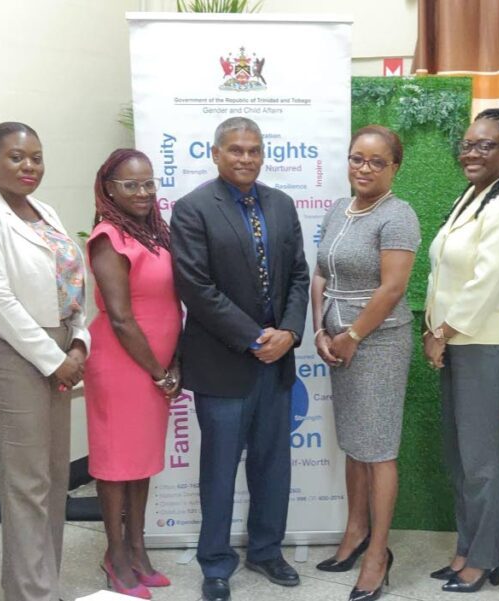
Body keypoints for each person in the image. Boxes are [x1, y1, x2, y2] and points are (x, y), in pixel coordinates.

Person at [170, 117, 310, 601]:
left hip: (277, 364)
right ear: (215, 153)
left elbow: (297, 274)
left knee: (274, 465)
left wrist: (289, 333)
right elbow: (196, 288)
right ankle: (215, 562)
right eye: (235, 149)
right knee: (219, 468)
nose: (246, 158)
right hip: (223, 363)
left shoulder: (282, 204)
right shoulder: (191, 210)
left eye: (253, 149)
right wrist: (255, 338)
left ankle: (267, 551)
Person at [0, 122, 90, 601]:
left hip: (59, 347)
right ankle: (32, 594)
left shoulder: (43, 210)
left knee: (53, 477)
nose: (28, 166)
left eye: (36, 156)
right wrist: (55, 360)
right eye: (15, 156)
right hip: (10, 353)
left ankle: (40, 584)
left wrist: (79, 344)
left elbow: (72, 284)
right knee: (26, 481)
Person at [423, 108, 499, 593]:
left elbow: (486, 282)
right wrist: (438, 330)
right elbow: (442, 272)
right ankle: (467, 547)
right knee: (460, 456)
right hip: (457, 341)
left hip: (489, 344)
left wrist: (441, 332)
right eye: (468, 143)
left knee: (483, 460)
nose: (471, 152)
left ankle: (485, 559)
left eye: (485, 145)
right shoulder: (472, 196)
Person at [311, 125, 420, 601]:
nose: (365, 168)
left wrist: (353, 335)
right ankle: (354, 533)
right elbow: (320, 273)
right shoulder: (340, 209)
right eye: (358, 158)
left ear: (394, 167)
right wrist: (320, 329)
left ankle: (378, 553)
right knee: (354, 444)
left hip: (377, 345)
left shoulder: (398, 215)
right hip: (336, 340)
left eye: (377, 161)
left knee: (378, 450)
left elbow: (392, 288)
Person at [84, 149, 182, 599]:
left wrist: (171, 364)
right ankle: (116, 555)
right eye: (131, 185)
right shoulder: (108, 238)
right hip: (122, 366)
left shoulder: (153, 234)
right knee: (115, 467)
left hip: (155, 369)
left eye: (148, 184)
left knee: (140, 465)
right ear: (109, 188)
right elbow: (121, 318)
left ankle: (139, 550)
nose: (143, 192)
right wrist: (159, 371)